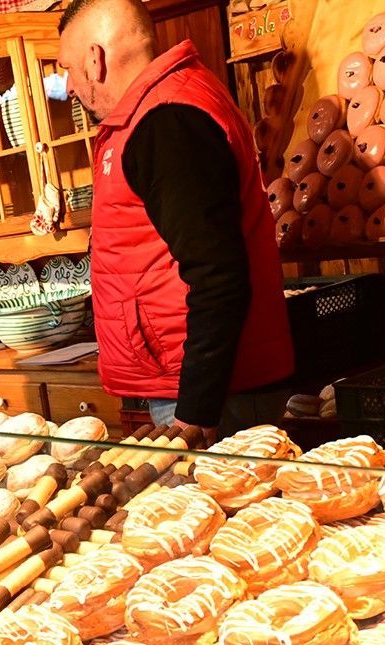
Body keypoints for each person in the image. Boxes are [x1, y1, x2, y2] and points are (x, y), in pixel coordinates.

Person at [57, 0, 294, 441]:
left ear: (95, 59)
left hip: (215, 395)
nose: (69, 87)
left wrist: (195, 410)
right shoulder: (157, 110)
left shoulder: (166, 120)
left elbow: (218, 275)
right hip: (200, 385)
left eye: (68, 69)